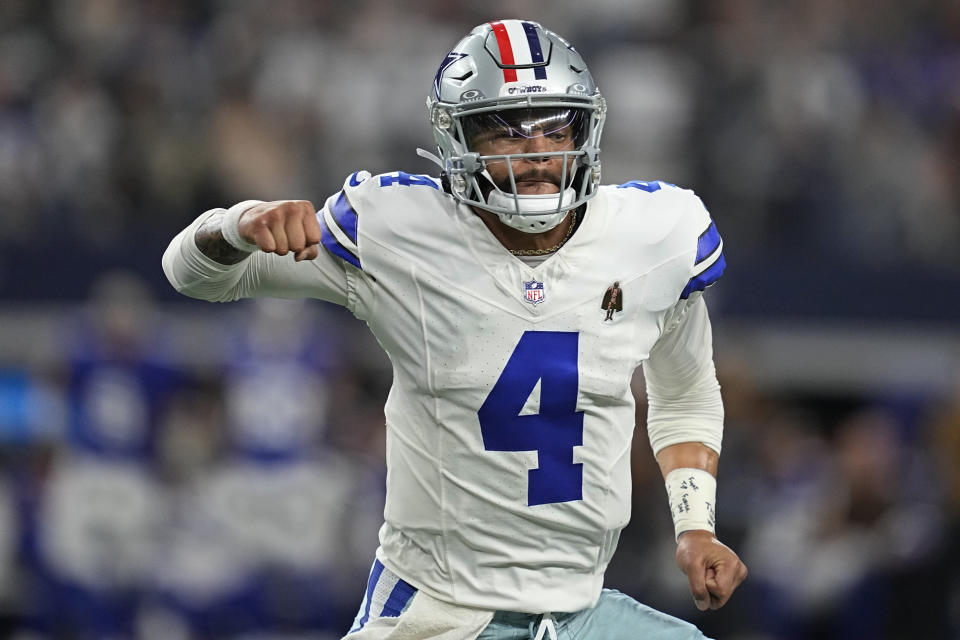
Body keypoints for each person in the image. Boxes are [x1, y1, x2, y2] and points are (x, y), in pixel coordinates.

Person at [163, 19, 746, 640]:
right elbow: (193, 275)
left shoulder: (654, 235)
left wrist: (695, 526)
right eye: (506, 133)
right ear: (458, 141)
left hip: (580, 611)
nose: (538, 152)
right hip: (439, 611)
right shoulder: (399, 229)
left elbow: (684, 392)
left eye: (556, 127)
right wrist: (238, 225)